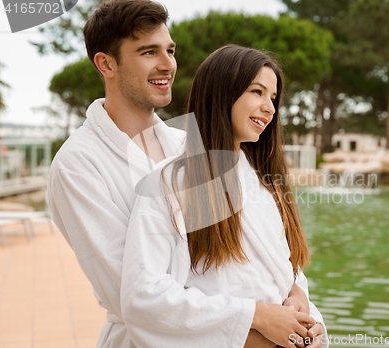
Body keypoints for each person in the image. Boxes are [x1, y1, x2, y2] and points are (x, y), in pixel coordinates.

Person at [47, 0, 318, 347]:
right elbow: (133, 296)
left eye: (170, 51)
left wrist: (293, 291)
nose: (168, 65)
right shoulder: (78, 165)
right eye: (148, 52)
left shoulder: (191, 147)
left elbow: (243, 258)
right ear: (106, 64)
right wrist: (262, 322)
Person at [121, 45, 328, 348]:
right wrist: (255, 317)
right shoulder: (171, 183)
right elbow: (143, 297)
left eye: (273, 98)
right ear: (222, 93)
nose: (270, 108)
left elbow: (282, 269)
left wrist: (301, 301)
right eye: (257, 92)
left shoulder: (267, 183)